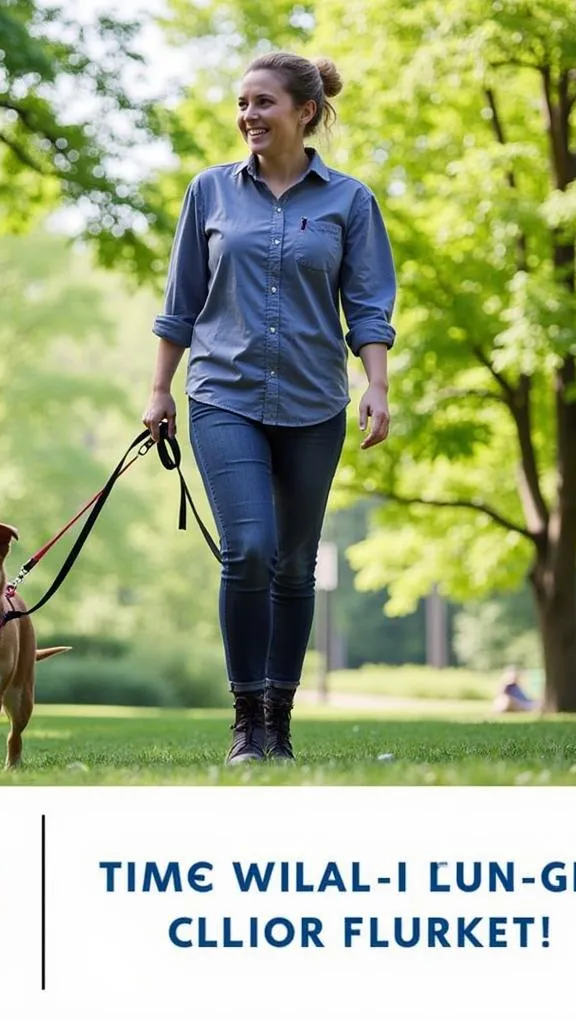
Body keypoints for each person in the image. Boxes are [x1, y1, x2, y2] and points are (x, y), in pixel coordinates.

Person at [142, 51, 397, 765]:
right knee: (249, 549)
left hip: (315, 402)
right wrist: (159, 389)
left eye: (264, 103)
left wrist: (376, 386)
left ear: (305, 112)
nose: (249, 116)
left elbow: (370, 305)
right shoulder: (210, 193)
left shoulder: (349, 202)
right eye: (244, 103)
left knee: (294, 564)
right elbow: (180, 303)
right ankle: (246, 722)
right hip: (223, 395)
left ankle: (278, 724)